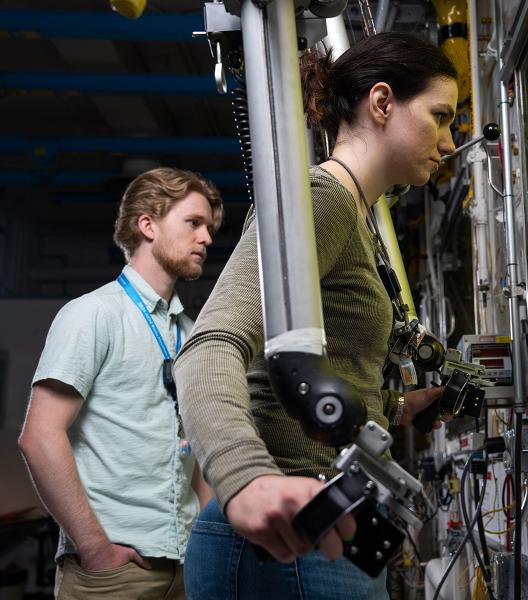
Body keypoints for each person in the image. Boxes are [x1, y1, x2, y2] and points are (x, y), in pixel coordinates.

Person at [173, 32, 458, 599]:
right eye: (440, 116)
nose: (449, 142)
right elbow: (208, 349)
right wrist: (246, 478)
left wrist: (398, 408)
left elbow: (310, 368)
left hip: (326, 522)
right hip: (290, 531)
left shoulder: (357, 213)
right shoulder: (321, 199)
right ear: (382, 103)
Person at [18, 167, 223, 600]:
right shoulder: (93, 315)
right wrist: (94, 548)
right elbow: (39, 436)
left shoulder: (190, 331)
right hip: (113, 572)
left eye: (209, 227)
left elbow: (195, 448)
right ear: (146, 225)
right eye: (193, 223)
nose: (206, 238)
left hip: (186, 568)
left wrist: (208, 545)